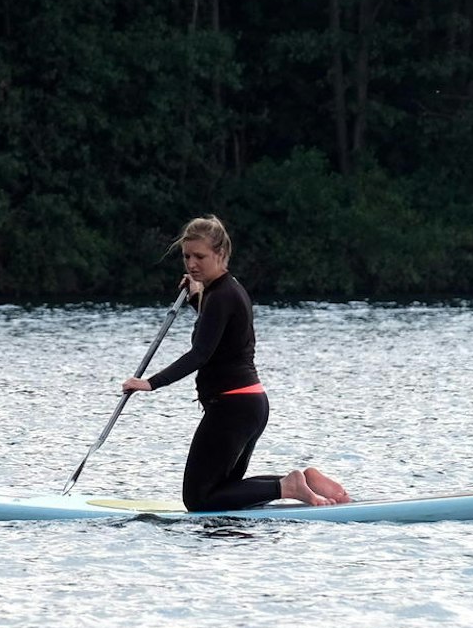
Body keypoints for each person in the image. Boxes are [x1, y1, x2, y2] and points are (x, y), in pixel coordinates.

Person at [120, 215, 352, 511]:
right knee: (223, 489)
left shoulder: (219, 297)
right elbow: (219, 338)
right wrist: (195, 300)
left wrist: (151, 383)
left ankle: (287, 486)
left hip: (232, 408)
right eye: (187, 256)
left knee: (199, 499)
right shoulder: (229, 291)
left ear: (221, 254)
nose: (191, 264)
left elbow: (200, 354)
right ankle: (301, 481)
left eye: (200, 256)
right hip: (250, 404)